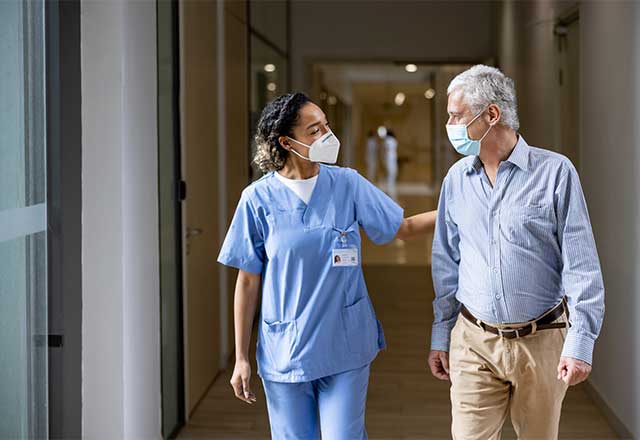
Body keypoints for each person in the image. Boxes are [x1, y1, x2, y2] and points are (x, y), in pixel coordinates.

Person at [218, 92, 436, 439]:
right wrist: (241, 357)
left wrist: (461, 207)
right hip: (286, 349)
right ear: (286, 142)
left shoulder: (346, 184)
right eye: (314, 130)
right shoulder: (257, 200)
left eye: (326, 126)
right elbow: (247, 280)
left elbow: (403, 228)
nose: (327, 136)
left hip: (345, 343)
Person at [428, 65, 605, 439]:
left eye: (456, 115)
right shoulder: (456, 180)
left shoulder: (556, 173)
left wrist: (581, 343)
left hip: (542, 343)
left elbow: (582, 266)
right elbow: (446, 261)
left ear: (491, 115)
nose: (450, 123)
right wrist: (440, 333)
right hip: (473, 340)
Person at [383, 129, 398, 200]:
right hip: (390, 158)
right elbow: (386, 150)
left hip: (391, 158)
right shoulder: (389, 140)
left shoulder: (390, 140)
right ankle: (390, 186)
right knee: (391, 172)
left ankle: (391, 185)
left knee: (393, 172)